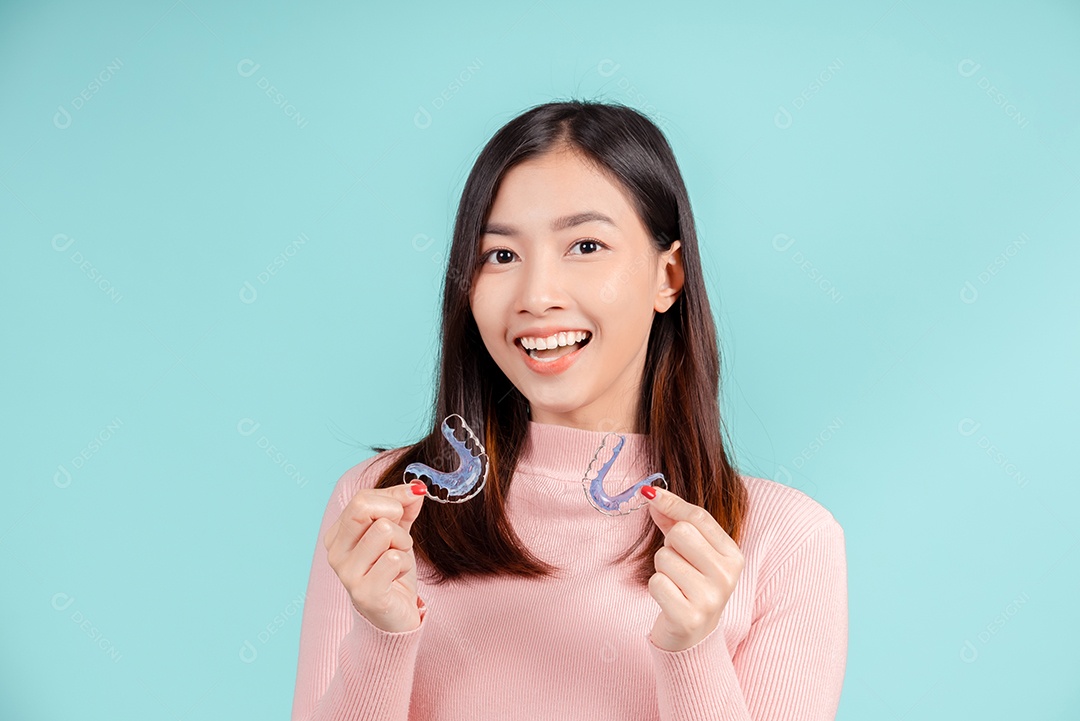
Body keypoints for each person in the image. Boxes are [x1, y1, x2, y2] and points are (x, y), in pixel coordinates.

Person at [290, 100, 848, 721]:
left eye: (585, 245)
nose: (537, 297)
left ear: (669, 276)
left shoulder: (786, 539)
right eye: (501, 255)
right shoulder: (378, 508)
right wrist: (382, 638)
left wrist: (691, 653)